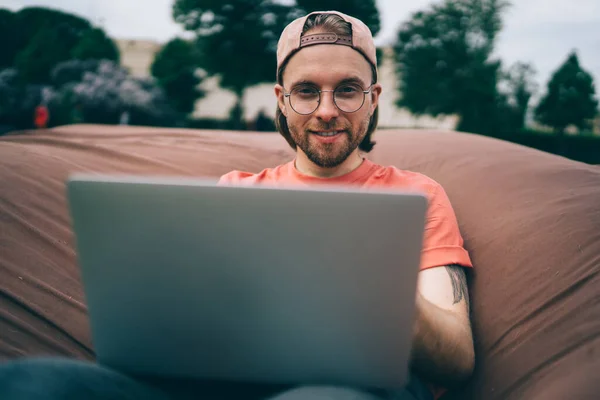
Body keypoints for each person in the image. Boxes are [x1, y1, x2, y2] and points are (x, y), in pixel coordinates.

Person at [0, 11, 474, 400]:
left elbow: (457, 356)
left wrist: (379, 293)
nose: (326, 110)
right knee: (30, 384)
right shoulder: (236, 190)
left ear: (373, 100)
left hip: (353, 387)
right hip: (221, 382)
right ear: (282, 100)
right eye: (307, 91)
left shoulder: (416, 195)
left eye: (347, 90)